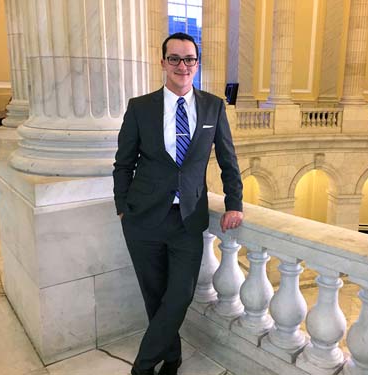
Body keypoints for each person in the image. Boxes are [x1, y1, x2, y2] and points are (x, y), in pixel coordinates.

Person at [113, 32, 243, 375]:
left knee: (180, 294)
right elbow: (123, 163)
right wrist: (122, 206)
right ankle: (172, 357)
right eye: (175, 59)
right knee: (154, 296)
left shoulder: (214, 106)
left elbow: (228, 160)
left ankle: (141, 367)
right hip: (143, 219)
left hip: (188, 219)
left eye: (189, 59)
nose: (182, 66)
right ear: (163, 63)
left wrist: (235, 203)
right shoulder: (140, 107)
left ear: (197, 64)